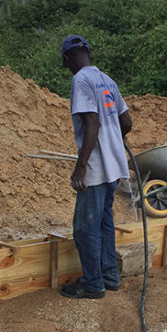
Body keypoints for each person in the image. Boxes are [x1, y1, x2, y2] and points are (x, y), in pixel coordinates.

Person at [60, 34, 133, 299]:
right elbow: (126, 122)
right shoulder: (106, 79)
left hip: (97, 167)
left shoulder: (80, 80)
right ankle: (109, 276)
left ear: (66, 59)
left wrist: (81, 166)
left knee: (85, 227)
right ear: (89, 54)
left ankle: (93, 283)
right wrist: (115, 141)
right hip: (114, 165)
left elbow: (92, 122)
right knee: (104, 222)